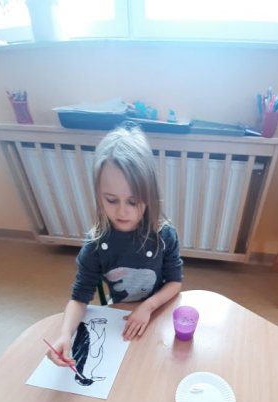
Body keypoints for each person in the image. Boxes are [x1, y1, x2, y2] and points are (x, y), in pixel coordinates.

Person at [47, 124, 183, 369]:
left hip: (158, 311)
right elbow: (79, 299)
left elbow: (175, 282)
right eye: (111, 200)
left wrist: (148, 307)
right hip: (121, 316)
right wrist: (65, 334)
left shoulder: (164, 235)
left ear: (149, 194)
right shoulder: (96, 244)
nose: (122, 211)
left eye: (133, 201)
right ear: (98, 195)